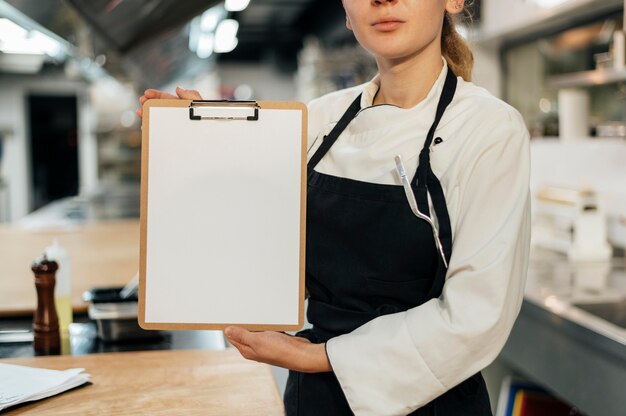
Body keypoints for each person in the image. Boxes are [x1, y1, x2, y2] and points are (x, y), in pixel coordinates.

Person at [138, 1, 531, 415]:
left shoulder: (488, 129)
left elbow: (474, 319)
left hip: (431, 401)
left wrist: (316, 357)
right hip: (316, 400)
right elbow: (272, 263)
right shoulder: (315, 121)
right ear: (346, 12)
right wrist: (200, 146)